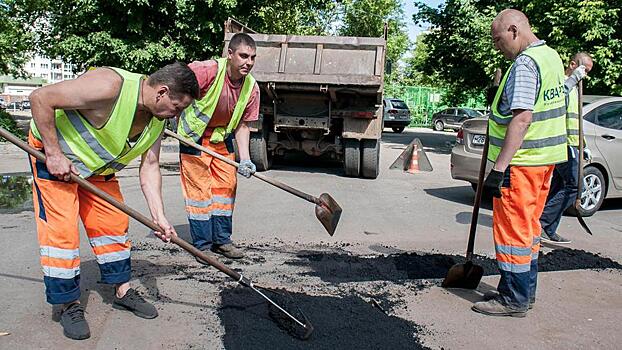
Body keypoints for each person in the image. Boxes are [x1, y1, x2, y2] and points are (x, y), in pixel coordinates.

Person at [28, 62, 199, 339]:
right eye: (177, 107)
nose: (177, 115)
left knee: (112, 226)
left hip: (97, 170)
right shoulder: (111, 85)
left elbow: (150, 167)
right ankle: (68, 303)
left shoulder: (158, 120)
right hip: (55, 160)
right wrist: (54, 153)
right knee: (61, 234)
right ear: (162, 92)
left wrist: (159, 216)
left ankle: (122, 289)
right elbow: (41, 98)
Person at [473, 9, 568, 317]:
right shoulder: (550, 56)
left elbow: (523, 118)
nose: (496, 46)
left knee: (513, 231)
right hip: (544, 163)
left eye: (498, 39)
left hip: (522, 163)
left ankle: (512, 298)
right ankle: (527, 292)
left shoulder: (526, 64)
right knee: (529, 229)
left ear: (514, 30)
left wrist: (498, 169)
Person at [177, 32, 260, 261]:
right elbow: (176, 84)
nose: (248, 62)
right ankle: (202, 246)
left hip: (222, 140)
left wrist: (245, 158)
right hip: (194, 139)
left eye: (252, 57)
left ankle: (222, 241)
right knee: (200, 193)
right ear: (230, 54)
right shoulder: (207, 71)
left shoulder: (251, 88)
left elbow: (244, 125)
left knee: (226, 189)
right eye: (244, 56)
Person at [539, 52, 594, 244]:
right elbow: (554, 102)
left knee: (560, 185)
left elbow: (575, 120)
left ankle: (547, 228)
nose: (585, 75)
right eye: (584, 70)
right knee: (574, 186)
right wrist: (573, 79)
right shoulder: (563, 84)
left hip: (573, 144)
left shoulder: (576, 89)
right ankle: (542, 224)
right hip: (564, 144)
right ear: (573, 64)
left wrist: (583, 145)